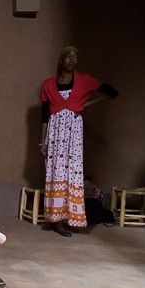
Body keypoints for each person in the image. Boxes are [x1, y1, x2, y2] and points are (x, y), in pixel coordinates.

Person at [40, 46, 118, 237]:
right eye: (69, 57)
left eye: (76, 57)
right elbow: (43, 115)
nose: (73, 60)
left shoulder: (84, 80)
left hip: (73, 131)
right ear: (61, 60)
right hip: (55, 131)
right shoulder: (48, 84)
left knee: (72, 172)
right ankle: (56, 220)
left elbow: (112, 92)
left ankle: (70, 218)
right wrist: (43, 142)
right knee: (56, 173)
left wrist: (85, 105)